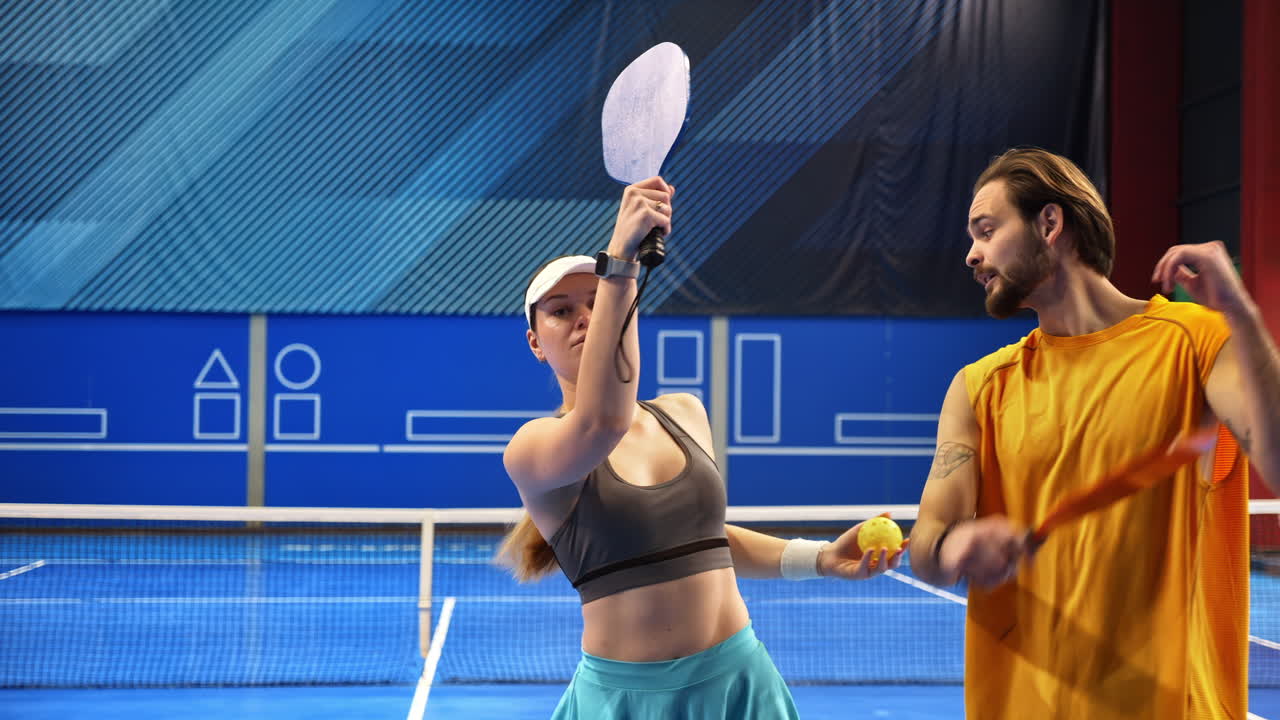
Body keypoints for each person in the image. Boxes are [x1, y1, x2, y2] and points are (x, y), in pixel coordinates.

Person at [498, 176, 908, 719]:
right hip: (628, 702)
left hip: (742, 686)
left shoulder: (685, 413)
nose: (584, 317)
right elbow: (602, 421)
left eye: (597, 301)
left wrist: (821, 558)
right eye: (560, 310)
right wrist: (620, 261)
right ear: (536, 343)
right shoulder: (531, 449)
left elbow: (705, 542)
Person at [909, 147, 1279, 719]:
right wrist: (952, 545)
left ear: (1049, 224)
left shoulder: (1195, 342)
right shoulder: (978, 387)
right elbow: (927, 543)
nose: (971, 254)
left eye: (986, 230)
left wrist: (1243, 315)